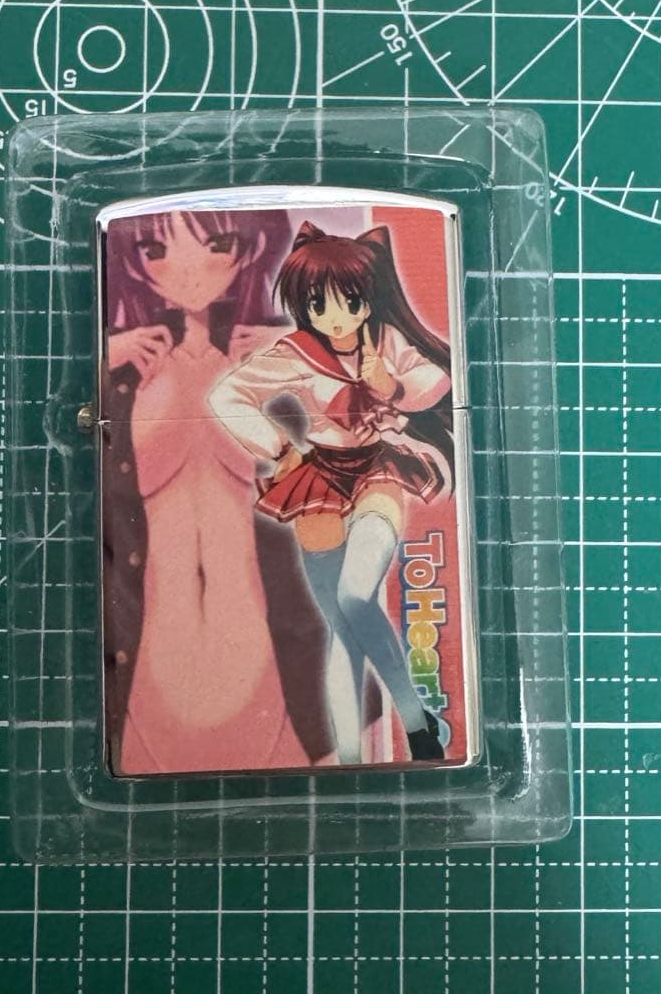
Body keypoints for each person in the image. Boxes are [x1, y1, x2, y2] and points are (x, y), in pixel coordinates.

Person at [209, 221, 453, 763]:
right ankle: (350, 761)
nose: (335, 316)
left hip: (380, 468)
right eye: (319, 304)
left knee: (354, 595)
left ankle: (413, 719)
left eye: (350, 301)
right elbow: (228, 395)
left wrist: (387, 384)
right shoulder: (295, 353)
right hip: (319, 477)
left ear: (369, 297)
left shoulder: (387, 341)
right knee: (341, 635)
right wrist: (279, 447)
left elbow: (435, 383)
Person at [102, 207, 333, 774]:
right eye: (156, 251)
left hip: (266, 651)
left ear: (250, 250)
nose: (188, 272)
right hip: (152, 654)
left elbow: (371, 423)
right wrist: (100, 358)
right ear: (132, 264)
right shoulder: (126, 369)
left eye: (216, 246)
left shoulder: (266, 359)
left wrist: (302, 347)